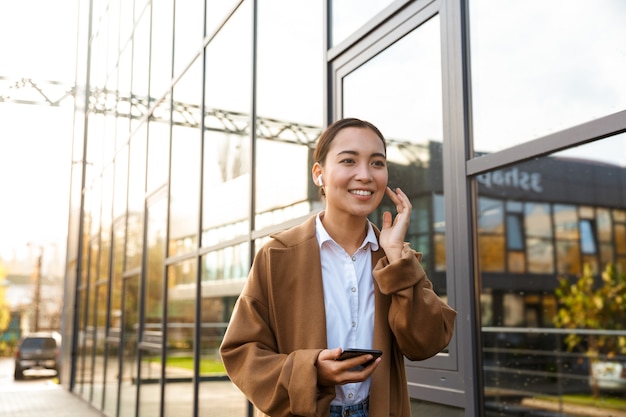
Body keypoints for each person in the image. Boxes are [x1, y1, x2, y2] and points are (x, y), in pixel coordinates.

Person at [219, 118, 457, 417]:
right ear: (319, 174)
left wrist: (396, 258)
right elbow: (241, 351)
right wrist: (310, 370)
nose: (365, 175)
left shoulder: (396, 258)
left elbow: (427, 342)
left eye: (377, 163)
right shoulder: (277, 255)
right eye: (348, 161)